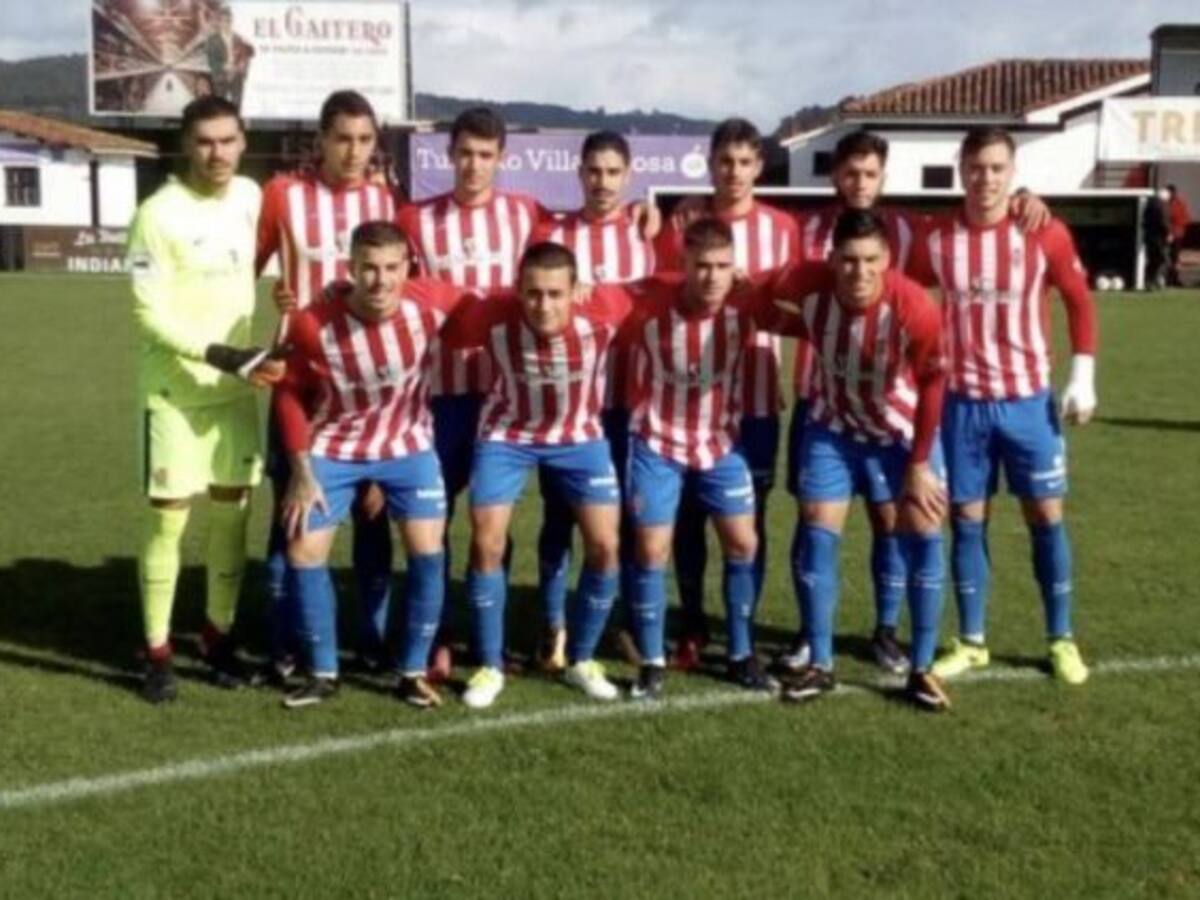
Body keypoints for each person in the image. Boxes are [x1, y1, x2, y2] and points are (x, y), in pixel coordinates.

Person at [782, 129, 1050, 676]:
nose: (859, 183)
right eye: (850, 173)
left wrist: (1022, 200)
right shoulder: (801, 229)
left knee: (890, 520)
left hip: (889, 403)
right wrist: (687, 207)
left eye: (870, 173)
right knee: (813, 518)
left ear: (883, 176)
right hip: (820, 397)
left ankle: (886, 631)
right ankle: (812, 636)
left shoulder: (911, 230)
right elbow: (756, 266)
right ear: (835, 176)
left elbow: (974, 231)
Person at [909, 127, 1098, 686]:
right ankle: (972, 641)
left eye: (996, 168)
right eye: (976, 167)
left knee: (1046, 516)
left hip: (1027, 402)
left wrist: (1083, 375)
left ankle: (1060, 637)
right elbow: (900, 287)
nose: (985, 179)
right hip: (962, 405)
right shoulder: (936, 238)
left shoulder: (1043, 232)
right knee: (967, 520)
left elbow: (1079, 301)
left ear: (1012, 173)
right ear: (961, 170)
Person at [272, 221, 470, 709]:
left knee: (427, 548)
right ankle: (323, 672)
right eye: (368, 268)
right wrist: (301, 471)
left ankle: (411, 671)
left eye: (390, 268)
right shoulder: (313, 323)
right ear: (350, 268)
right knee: (303, 550)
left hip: (408, 446)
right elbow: (289, 395)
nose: (380, 280)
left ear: (408, 268)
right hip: (334, 447)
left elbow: (497, 306)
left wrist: (583, 293)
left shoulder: (433, 301)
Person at [128, 96, 282, 703]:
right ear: (186, 146)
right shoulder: (156, 215)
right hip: (175, 393)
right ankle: (157, 653)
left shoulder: (249, 196)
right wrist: (220, 354)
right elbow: (147, 314)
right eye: (205, 142)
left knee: (232, 517)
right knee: (168, 521)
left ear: (243, 141)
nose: (217, 153)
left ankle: (218, 639)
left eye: (227, 140)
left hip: (235, 392)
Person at [766, 210, 951, 710]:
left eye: (871, 260)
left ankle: (921, 668)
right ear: (832, 259)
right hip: (833, 427)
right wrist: (791, 322)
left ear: (887, 259)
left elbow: (934, 384)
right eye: (849, 260)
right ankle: (821, 664)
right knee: (816, 527)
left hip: (900, 432)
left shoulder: (914, 306)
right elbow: (755, 293)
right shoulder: (806, 281)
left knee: (924, 530)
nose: (860, 271)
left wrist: (919, 465)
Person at [439, 243, 630, 709]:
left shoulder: (606, 307)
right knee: (486, 542)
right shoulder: (492, 313)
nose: (543, 305)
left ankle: (582, 659)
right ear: (517, 289)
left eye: (555, 293)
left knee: (606, 545)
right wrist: (339, 289)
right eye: (533, 293)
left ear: (575, 290)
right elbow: (431, 297)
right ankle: (490, 664)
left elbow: (664, 290)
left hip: (579, 437)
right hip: (507, 434)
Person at [396, 107, 548, 680]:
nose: (473, 165)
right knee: (431, 520)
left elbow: (567, 248)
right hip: (436, 395)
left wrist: (642, 213)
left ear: (501, 158)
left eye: (485, 155)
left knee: (493, 525)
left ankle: (490, 640)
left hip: (501, 397)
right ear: (449, 154)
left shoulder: (525, 214)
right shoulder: (415, 218)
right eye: (464, 153)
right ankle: (433, 636)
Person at [625, 218, 803, 700]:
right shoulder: (648, 299)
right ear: (682, 264)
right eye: (702, 266)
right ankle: (652, 661)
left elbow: (803, 324)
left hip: (721, 442)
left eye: (723, 266)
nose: (712, 276)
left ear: (734, 267)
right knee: (652, 549)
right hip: (657, 441)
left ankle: (741, 654)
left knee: (743, 543)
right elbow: (600, 298)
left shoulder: (747, 304)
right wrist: (580, 288)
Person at [256, 90, 397, 683]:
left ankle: (374, 640)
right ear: (320, 139)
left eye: (364, 140)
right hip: (301, 378)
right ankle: (283, 643)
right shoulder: (283, 194)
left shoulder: (384, 198)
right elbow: (243, 267)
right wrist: (273, 300)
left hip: (365, 385)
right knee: (291, 511)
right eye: (343, 138)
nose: (354, 151)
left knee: (372, 514)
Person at [655, 118, 800, 671]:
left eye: (744, 162)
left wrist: (752, 292)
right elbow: (666, 292)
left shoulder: (782, 228)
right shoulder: (684, 220)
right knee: (688, 517)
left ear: (759, 166)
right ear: (710, 163)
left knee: (748, 522)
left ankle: (742, 631)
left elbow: (793, 304)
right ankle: (692, 625)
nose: (734, 172)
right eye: (724, 161)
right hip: (689, 404)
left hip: (756, 400)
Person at [530, 130, 655, 672]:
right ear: (579, 173)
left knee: (622, 519)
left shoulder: (649, 234)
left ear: (629, 176)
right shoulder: (552, 233)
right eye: (593, 171)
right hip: (568, 404)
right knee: (559, 517)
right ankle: (552, 625)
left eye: (613, 172)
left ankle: (616, 623)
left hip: (631, 400)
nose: (602, 182)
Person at [1166, 184, 1191, 287]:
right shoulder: (1168, 203)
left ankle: (1174, 278)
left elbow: (1184, 219)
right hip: (1172, 233)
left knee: (1174, 257)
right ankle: (1170, 278)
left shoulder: (1178, 204)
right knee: (1169, 257)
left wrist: (1174, 231)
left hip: (1176, 234)